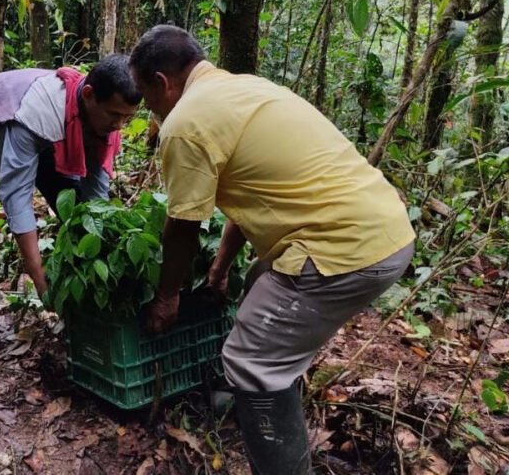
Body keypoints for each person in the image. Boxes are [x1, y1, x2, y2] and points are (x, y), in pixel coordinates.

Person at [129, 25, 415, 475]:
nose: (149, 109)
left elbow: (182, 226)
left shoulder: (186, 124)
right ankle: (247, 404)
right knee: (262, 281)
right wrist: (220, 269)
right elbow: (249, 197)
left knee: (252, 360)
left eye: (146, 97)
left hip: (342, 251)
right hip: (386, 232)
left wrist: (167, 297)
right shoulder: (247, 89)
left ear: (162, 83)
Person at [0, 55, 141, 322]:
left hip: (43, 145)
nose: (119, 125)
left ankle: (85, 298)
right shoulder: (43, 109)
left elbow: (95, 198)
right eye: (115, 115)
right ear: (89, 95)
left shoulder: (104, 120)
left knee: (79, 214)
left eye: (127, 117)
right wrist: (38, 276)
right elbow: (16, 196)